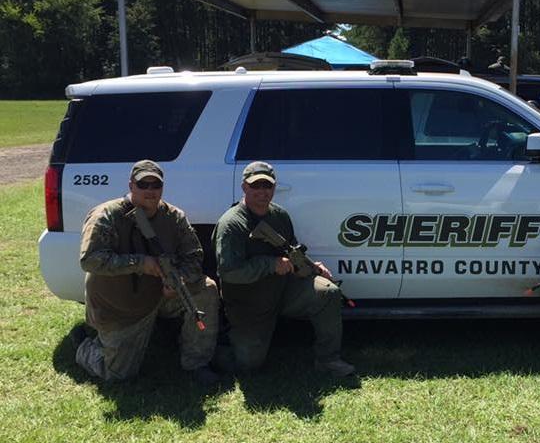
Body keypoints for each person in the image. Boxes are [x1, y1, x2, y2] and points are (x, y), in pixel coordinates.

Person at [76, 160, 220, 384]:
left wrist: (179, 280)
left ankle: (196, 363)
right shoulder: (106, 215)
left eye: (156, 185)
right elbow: (90, 260)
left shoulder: (174, 217)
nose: (150, 191)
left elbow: (194, 256)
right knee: (117, 375)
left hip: (159, 296)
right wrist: (141, 263)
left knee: (206, 289)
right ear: (131, 185)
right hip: (120, 305)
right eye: (144, 185)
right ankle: (86, 346)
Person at [213, 161, 355, 376]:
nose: (262, 192)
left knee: (328, 292)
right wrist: (270, 265)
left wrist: (307, 266)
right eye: (256, 186)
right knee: (248, 365)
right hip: (249, 303)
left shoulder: (280, 216)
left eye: (267, 186)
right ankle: (218, 347)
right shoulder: (231, 224)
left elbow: (291, 251)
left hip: (282, 290)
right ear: (244, 187)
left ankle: (328, 360)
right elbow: (229, 272)